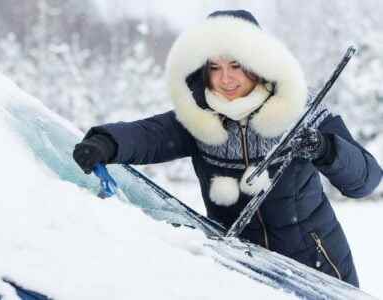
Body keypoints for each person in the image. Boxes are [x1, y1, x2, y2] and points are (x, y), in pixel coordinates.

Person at [72, 10, 382, 287]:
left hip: (319, 269)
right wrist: (106, 142)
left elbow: (365, 181)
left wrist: (326, 148)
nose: (226, 78)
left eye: (236, 65)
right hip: (244, 274)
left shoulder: (301, 109)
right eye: (215, 67)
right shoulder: (198, 117)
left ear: (258, 64)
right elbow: (148, 135)